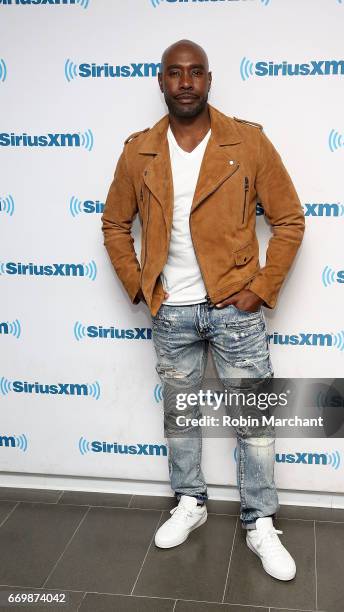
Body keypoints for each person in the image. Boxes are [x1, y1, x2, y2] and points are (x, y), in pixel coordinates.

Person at [101, 39, 305, 582]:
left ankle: (260, 520)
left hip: (235, 310)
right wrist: (140, 285)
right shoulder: (139, 151)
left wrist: (259, 289)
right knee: (182, 419)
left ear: (209, 80)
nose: (185, 82)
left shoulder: (248, 142)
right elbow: (114, 225)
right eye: (175, 73)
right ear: (161, 81)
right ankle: (189, 502)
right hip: (173, 313)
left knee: (255, 425)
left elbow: (289, 220)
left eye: (195, 73)